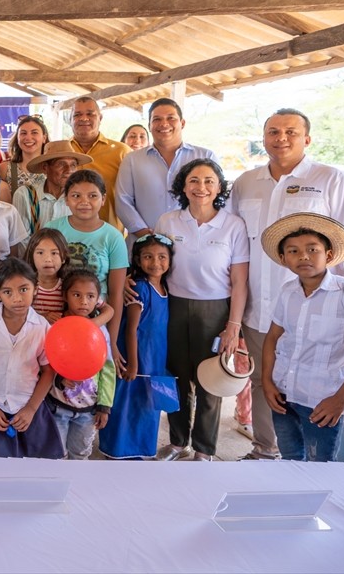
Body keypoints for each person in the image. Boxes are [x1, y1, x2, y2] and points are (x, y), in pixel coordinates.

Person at [228, 108, 344, 461]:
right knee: (266, 381)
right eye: (273, 131)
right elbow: (237, 248)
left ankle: (319, 461)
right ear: (263, 138)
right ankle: (265, 449)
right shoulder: (246, 182)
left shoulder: (331, 178)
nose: (281, 138)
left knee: (319, 382)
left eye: (291, 132)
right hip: (260, 306)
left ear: (307, 139)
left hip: (323, 308)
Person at [260, 214, 344, 463]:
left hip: (323, 401)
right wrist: (267, 382)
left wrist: (340, 400)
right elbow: (272, 337)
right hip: (283, 395)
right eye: (293, 251)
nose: (303, 256)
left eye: (312, 249)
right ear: (283, 259)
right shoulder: (287, 291)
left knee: (319, 465)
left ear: (330, 254)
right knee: (291, 459)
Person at [153, 159, 249, 461]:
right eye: (194, 180)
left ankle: (205, 449)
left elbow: (240, 281)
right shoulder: (168, 221)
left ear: (219, 187)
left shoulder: (233, 225)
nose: (201, 187)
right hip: (174, 307)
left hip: (216, 310)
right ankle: (178, 441)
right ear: (184, 185)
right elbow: (156, 267)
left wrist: (233, 325)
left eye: (209, 181)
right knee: (177, 377)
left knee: (211, 380)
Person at [0, 258, 63, 459]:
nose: (17, 298)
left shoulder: (42, 327)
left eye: (24, 289)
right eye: (8, 292)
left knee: (32, 469)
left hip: (28, 408)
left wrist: (31, 408)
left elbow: (48, 370)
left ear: (36, 288)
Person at [99, 234, 174, 459]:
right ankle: (117, 451)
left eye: (162, 257)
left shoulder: (165, 288)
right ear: (138, 260)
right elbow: (131, 329)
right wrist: (133, 363)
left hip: (155, 361)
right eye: (148, 257)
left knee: (148, 408)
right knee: (126, 405)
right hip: (138, 360)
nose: (155, 262)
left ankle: (142, 451)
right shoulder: (139, 289)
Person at [43, 170, 127, 344]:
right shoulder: (52, 229)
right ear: (66, 199)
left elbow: (116, 293)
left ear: (103, 199)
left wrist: (112, 341)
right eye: (76, 195)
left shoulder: (113, 237)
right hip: (55, 315)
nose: (84, 202)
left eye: (92, 196)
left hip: (96, 318)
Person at [116, 99, 218, 240]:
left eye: (171, 118)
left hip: (194, 243)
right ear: (150, 125)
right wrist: (147, 236)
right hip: (144, 247)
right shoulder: (132, 160)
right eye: (157, 119)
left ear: (182, 123)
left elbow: (216, 199)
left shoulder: (205, 156)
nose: (164, 124)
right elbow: (123, 201)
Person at [48, 268, 116, 460]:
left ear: (97, 299)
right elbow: (46, 360)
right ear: (65, 296)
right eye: (76, 295)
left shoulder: (100, 331)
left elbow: (108, 369)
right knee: (55, 454)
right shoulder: (55, 326)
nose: (84, 301)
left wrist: (104, 406)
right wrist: (59, 378)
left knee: (80, 455)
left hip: (89, 411)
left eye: (90, 296)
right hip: (58, 407)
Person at [67, 96, 130, 231]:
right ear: (70, 119)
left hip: (110, 237)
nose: (84, 118)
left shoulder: (121, 152)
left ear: (100, 118)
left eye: (90, 114)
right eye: (77, 115)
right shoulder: (62, 152)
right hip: (67, 236)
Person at [13, 140, 88, 235]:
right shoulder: (25, 195)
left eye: (73, 165)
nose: (69, 170)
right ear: (45, 167)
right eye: (61, 164)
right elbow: (21, 239)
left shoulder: (82, 198)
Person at [26, 228, 70, 324]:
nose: (48, 259)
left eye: (54, 253)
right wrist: (43, 317)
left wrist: (94, 322)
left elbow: (108, 310)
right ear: (31, 256)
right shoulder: (25, 285)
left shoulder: (69, 285)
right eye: (40, 253)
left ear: (64, 258)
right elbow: (17, 314)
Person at [0, 115, 49, 198]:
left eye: (34, 132)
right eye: (23, 133)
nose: (28, 137)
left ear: (44, 138)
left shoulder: (52, 169)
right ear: (17, 138)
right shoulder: (4, 169)